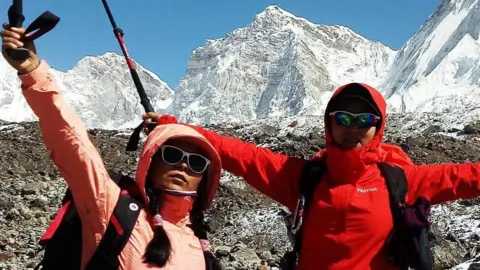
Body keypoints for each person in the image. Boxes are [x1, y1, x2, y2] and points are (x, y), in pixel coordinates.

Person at [143, 80, 480, 268]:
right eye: (343, 118)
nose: (353, 128)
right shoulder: (305, 178)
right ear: (329, 122)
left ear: (378, 127)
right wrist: (175, 128)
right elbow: (240, 154)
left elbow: (467, 176)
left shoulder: (402, 180)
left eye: (365, 121)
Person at [1, 23, 223, 270]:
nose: (183, 165)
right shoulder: (112, 208)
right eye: (171, 155)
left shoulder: (200, 248)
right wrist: (34, 73)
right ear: (151, 160)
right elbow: (74, 146)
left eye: (196, 163)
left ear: (203, 180)